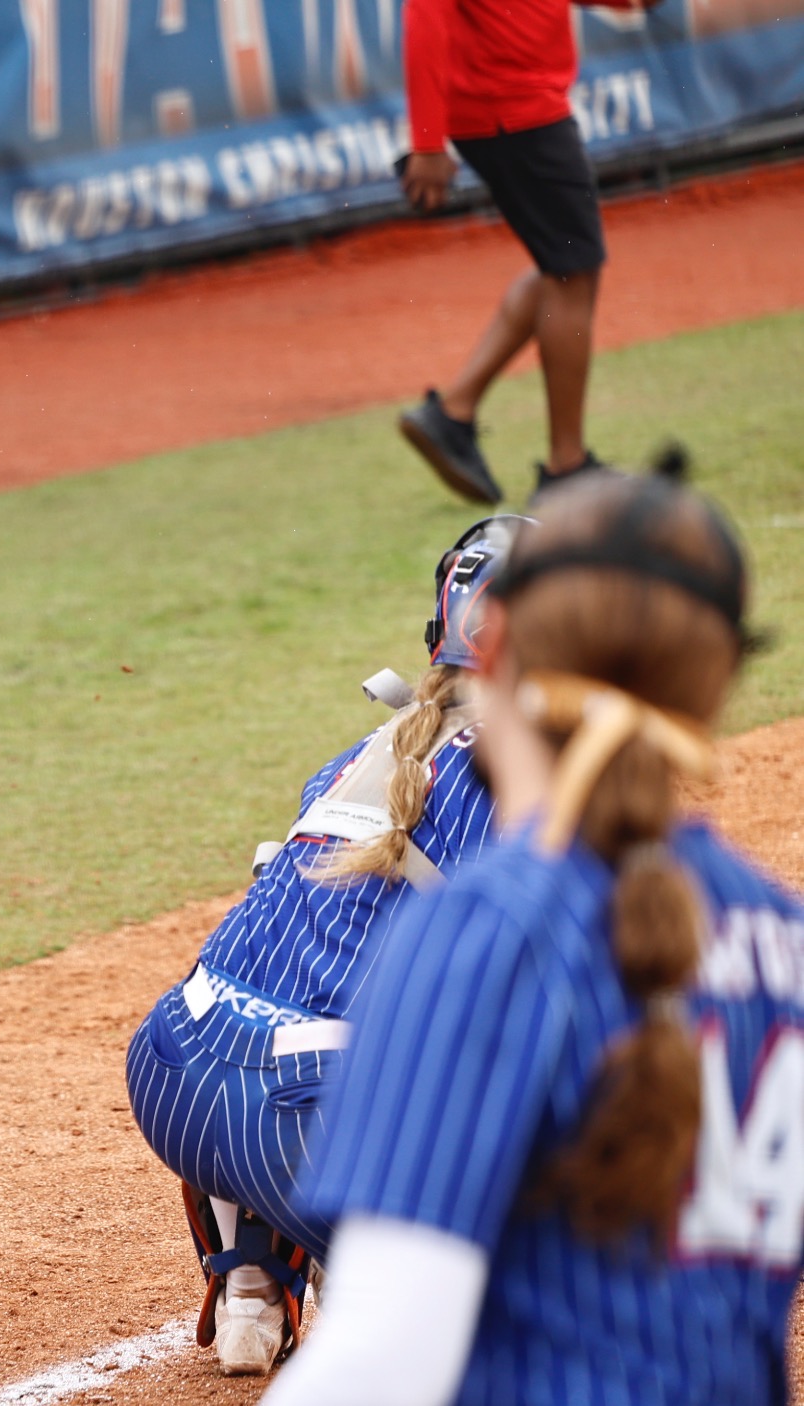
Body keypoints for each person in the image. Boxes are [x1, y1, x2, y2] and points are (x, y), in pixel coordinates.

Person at [269, 464, 796, 1405]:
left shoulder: (491, 929)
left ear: (496, 641)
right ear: (712, 686)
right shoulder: (785, 940)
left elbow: (382, 1358)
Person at [125, 517, 516, 1377]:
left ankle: (252, 1280)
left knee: (298, 1002)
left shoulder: (362, 752)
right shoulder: (522, 779)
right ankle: (376, 1295)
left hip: (168, 1069)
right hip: (306, 1122)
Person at [392, 0, 662, 506]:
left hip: (518, 108)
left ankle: (454, 413)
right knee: (571, 276)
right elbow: (423, 17)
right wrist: (426, 143)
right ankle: (567, 468)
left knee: (563, 269)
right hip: (512, 110)